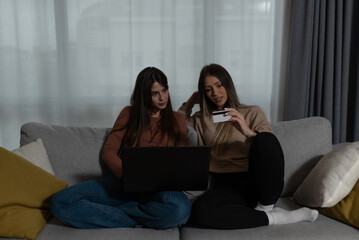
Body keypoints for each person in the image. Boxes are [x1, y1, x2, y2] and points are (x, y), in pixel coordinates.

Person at [179, 63, 318, 229]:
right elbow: (175, 126)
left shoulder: (252, 112)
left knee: (264, 138)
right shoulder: (201, 118)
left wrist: (246, 131)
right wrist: (189, 104)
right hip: (225, 185)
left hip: (258, 181)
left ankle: (266, 206)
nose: (215, 93)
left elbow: (269, 148)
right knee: (201, 211)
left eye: (219, 85)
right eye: (208, 89)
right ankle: (273, 217)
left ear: (227, 84)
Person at [51, 67, 192, 229]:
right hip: (122, 183)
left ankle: (118, 213)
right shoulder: (129, 114)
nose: (162, 98)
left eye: (164, 90)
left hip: (159, 190)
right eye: (155, 93)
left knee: (181, 210)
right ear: (144, 94)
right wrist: (128, 175)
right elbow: (109, 151)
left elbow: (181, 160)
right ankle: (137, 218)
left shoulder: (177, 119)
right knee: (60, 202)